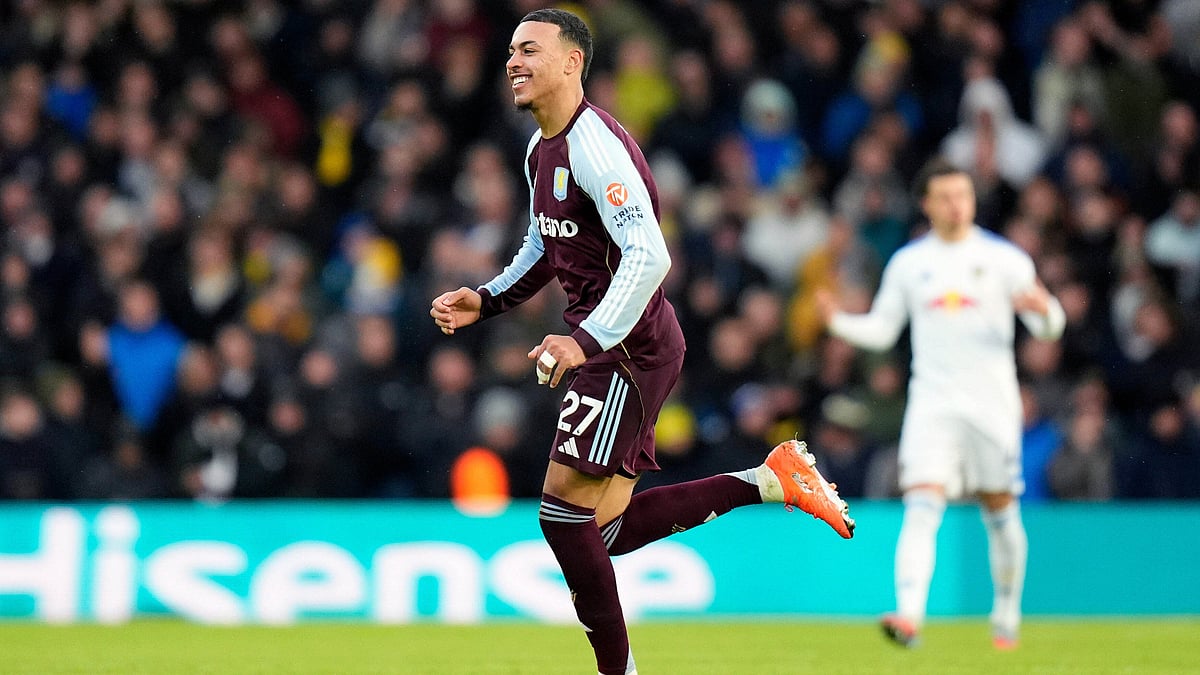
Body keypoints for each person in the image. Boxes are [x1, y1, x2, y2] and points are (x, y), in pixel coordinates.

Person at [430, 10, 853, 675]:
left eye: (529, 50)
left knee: (561, 516)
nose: (512, 61)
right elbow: (545, 242)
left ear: (572, 63)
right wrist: (487, 299)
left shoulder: (596, 146)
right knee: (605, 530)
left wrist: (586, 340)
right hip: (623, 345)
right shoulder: (542, 150)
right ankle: (772, 480)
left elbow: (650, 256)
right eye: (510, 50)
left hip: (628, 348)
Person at [817, 159, 1065, 650]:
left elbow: (1047, 327)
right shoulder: (910, 263)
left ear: (972, 201)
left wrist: (1050, 312)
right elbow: (883, 328)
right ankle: (908, 616)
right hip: (932, 403)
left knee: (1000, 508)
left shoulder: (1005, 259)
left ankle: (1007, 616)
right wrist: (840, 323)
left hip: (992, 405)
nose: (956, 204)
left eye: (963, 195)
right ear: (928, 204)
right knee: (921, 504)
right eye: (945, 196)